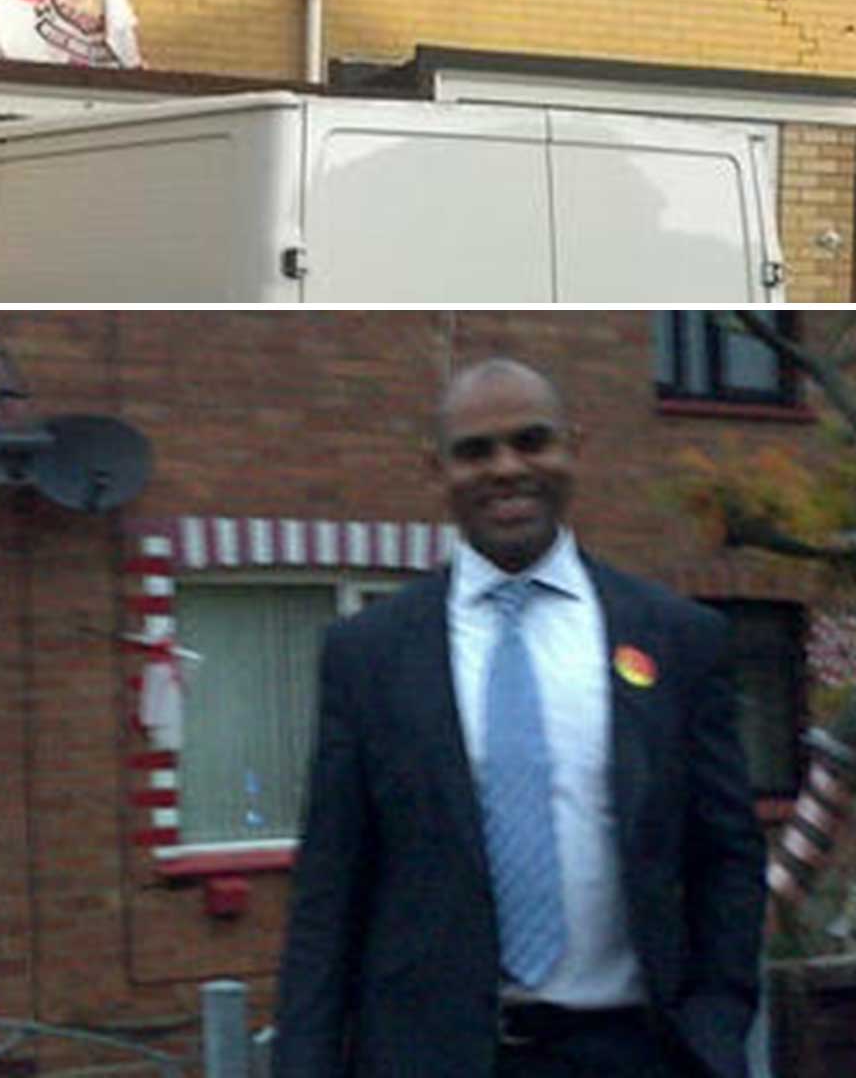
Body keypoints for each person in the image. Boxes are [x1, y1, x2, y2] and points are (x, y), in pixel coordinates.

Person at [274, 358, 767, 1078]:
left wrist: (716, 1027)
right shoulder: (369, 655)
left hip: (633, 1054)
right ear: (436, 468)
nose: (506, 468)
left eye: (532, 442)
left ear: (575, 446)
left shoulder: (675, 637)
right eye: (475, 451)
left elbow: (728, 855)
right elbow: (329, 890)